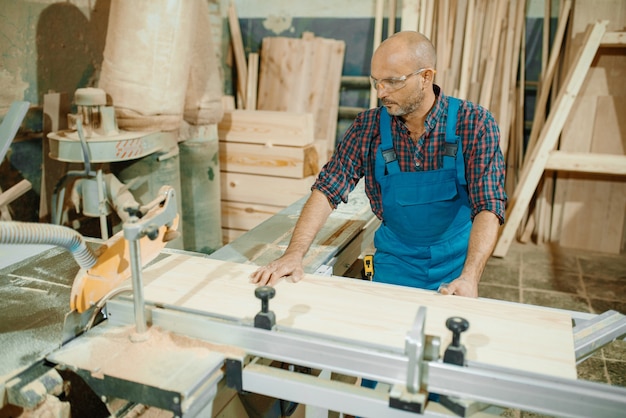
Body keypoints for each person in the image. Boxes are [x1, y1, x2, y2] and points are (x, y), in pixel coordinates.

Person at [250, 30, 507, 298]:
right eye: (376, 82)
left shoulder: (474, 123)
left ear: (426, 77)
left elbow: (489, 204)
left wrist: (469, 277)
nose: (381, 92)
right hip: (395, 261)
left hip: (457, 263)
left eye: (392, 82)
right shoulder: (367, 128)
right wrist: (293, 254)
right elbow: (327, 189)